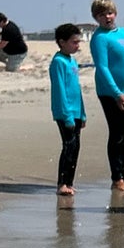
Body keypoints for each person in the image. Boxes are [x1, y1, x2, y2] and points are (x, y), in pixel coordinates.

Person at [89, 0, 124, 193]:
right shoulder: (99, 38)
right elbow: (102, 68)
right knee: (118, 133)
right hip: (110, 93)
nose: (107, 17)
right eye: (102, 15)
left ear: (115, 13)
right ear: (96, 18)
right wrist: (116, 93)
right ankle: (116, 177)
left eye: (109, 13)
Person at [50, 23, 87, 203]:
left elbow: (77, 89)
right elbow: (60, 91)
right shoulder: (58, 62)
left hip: (76, 111)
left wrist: (83, 113)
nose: (77, 45)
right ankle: (62, 183)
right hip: (65, 113)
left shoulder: (72, 61)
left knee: (75, 148)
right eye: (74, 42)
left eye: (78, 42)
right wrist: (67, 116)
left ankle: (69, 182)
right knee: (69, 146)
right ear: (62, 42)